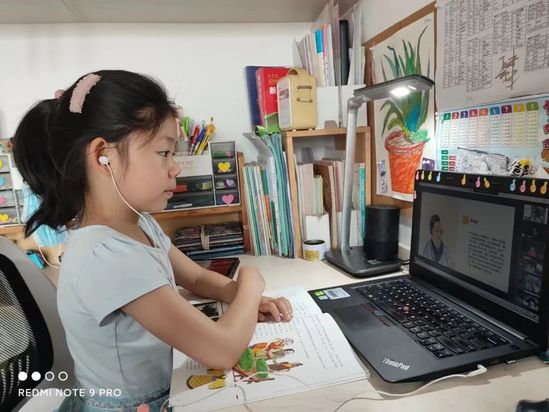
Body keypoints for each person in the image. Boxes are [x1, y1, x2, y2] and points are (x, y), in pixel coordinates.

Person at [13, 70, 293, 412]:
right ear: (102, 155)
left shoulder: (139, 222)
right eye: (164, 152)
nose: (175, 168)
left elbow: (195, 278)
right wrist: (249, 282)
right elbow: (221, 350)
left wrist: (240, 298)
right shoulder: (106, 255)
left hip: (163, 389)